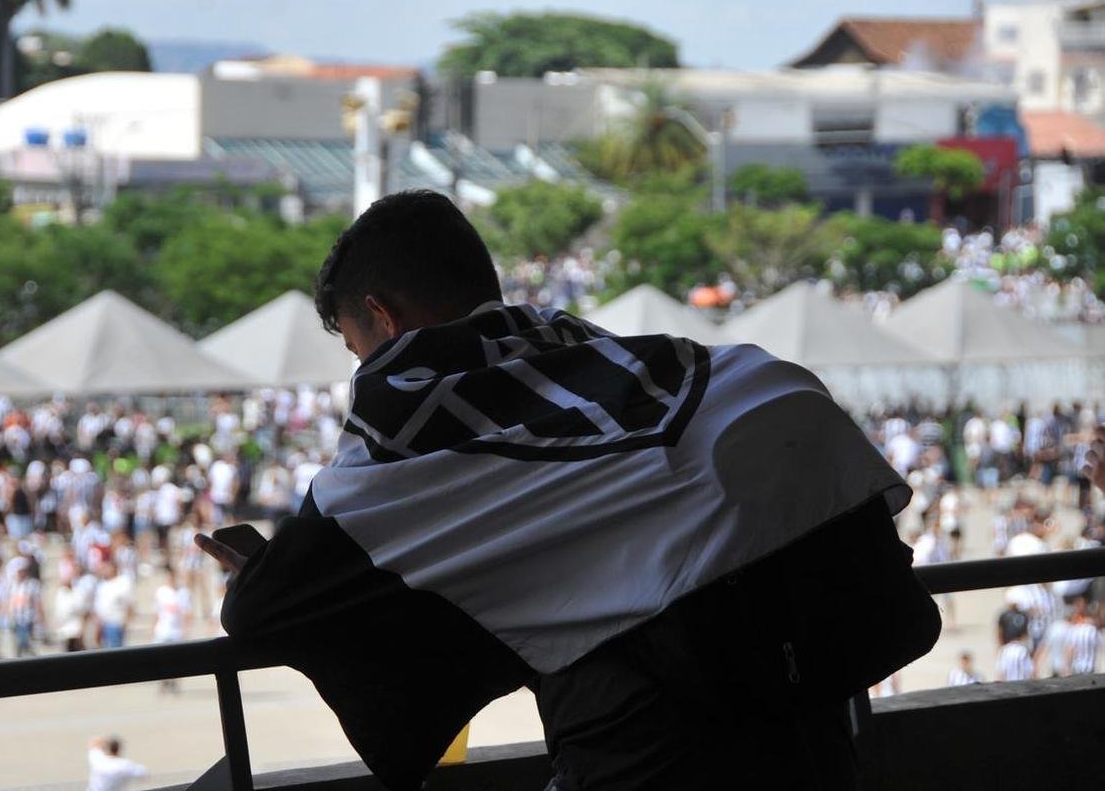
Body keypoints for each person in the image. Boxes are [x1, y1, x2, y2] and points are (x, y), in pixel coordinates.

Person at [200, 191, 941, 790]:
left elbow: (276, 609)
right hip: (809, 740)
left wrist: (263, 570)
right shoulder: (615, 358)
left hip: (642, 754)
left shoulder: (405, 419)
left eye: (356, 345)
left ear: (384, 318)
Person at [93, 561, 133, 649]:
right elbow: (98, 606)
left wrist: (126, 621)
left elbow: (129, 604)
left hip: (116, 622)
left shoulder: (123, 582)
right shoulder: (102, 585)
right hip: (103, 623)